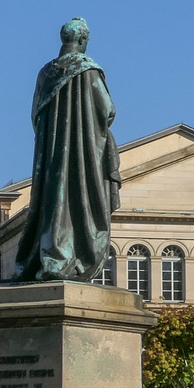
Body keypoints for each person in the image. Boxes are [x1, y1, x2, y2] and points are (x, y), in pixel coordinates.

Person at [13, 18, 122, 281]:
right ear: (83, 41)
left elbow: (35, 115)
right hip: (83, 157)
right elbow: (107, 111)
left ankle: (51, 258)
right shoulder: (90, 70)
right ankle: (72, 259)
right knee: (81, 203)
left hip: (50, 157)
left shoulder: (45, 73)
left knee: (52, 204)